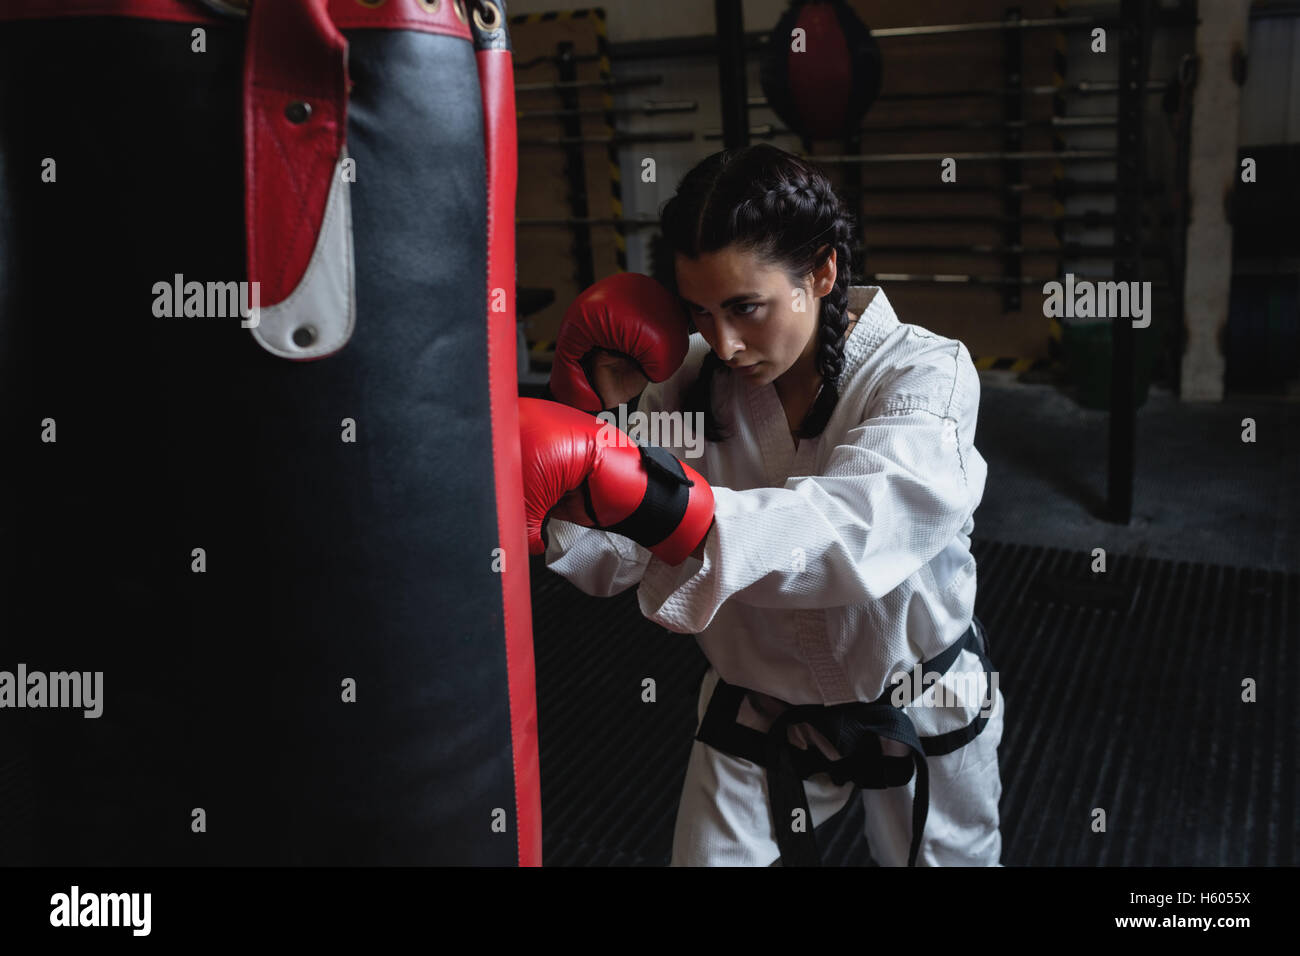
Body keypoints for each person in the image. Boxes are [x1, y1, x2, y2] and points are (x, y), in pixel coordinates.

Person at [526, 143, 1004, 867]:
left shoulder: (923, 374)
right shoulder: (689, 385)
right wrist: (586, 426)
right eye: (700, 312)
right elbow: (615, 560)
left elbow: (853, 529)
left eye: (746, 308)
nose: (724, 342)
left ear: (822, 271)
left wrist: (668, 509)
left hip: (918, 700)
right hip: (762, 709)